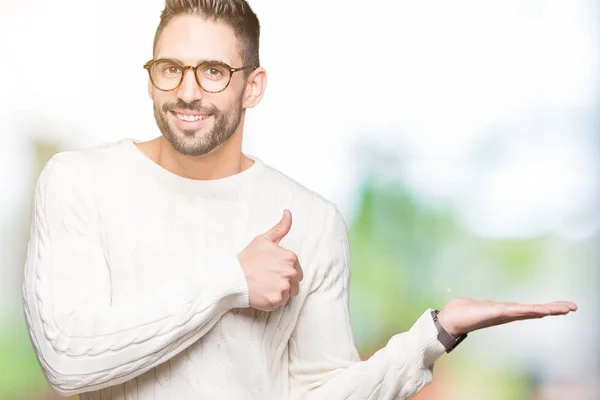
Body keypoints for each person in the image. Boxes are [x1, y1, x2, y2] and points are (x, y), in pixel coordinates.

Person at [21, 1, 577, 399]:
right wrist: (230, 281)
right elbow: (68, 361)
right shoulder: (78, 182)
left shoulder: (310, 220)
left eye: (214, 72)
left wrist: (433, 336)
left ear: (253, 86)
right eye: (170, 69)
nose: (187, 91)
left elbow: (320, 393)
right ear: (150, 79)